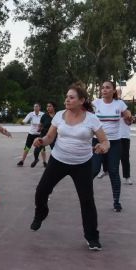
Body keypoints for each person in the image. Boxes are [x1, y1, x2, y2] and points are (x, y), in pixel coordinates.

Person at [31, 82, 108, 251]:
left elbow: (104, 141)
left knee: (87, 200)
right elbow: (50, 137)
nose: (67, 99)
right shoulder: (59, 115)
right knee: (41, 190)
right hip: (58, 160)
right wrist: (42, 141)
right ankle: (41, 213)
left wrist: (103, 147)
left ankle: (92, 237)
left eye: (71, 97)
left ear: (81, 101)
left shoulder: (91, 119)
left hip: (82, 164)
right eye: (66, 97)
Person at [91, 81, 132, 212]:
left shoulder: (119, 104)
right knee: (94, 170)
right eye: (102, 87)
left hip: (114, 143)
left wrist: (129, 117)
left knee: (114, 171)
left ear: (114, 90)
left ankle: (116, 201)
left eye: (107, 87)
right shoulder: (95, 103)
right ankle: (85, 195)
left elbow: (128, 118)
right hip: (97, 141)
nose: (104, 90)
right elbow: (84, 115)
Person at [32, 102, 57, 168]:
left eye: (50, 106)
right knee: (37, 149)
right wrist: (39, 129)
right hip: (43, 135)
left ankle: (55, 164)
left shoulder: (58, 116)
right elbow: (40, 125)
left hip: (53, 135)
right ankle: (36, 159)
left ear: (54, 107)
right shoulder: (44, 116)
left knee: (55, 151)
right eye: (47, 106)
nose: (48, 108)